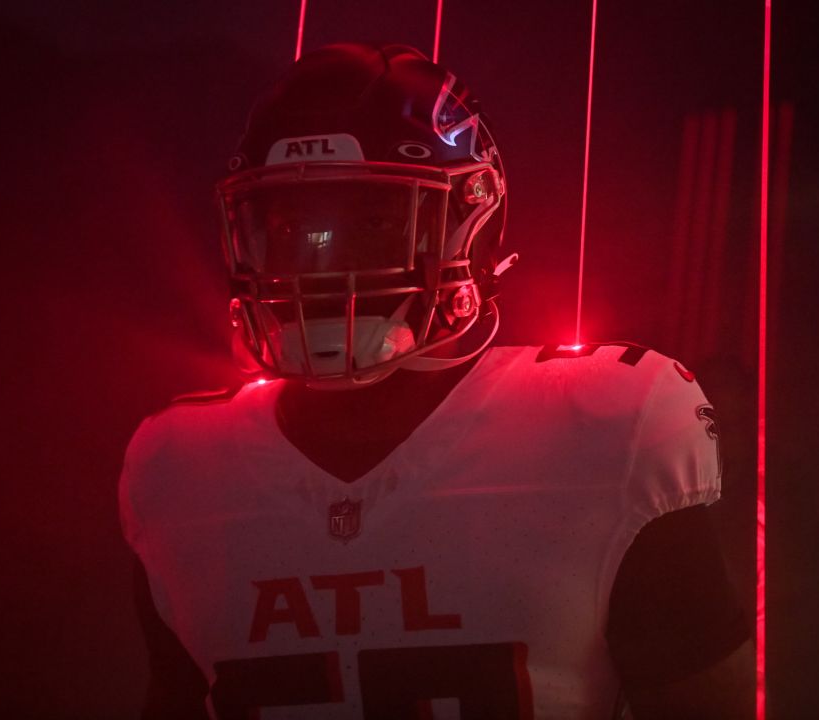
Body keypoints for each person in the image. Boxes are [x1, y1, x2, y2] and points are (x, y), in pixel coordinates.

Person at [120, 43, 752, 719]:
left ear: (469, 218)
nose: (319, 259)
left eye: (369, 220)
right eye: (288, 224)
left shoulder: (608, 426)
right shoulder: (180, 465)